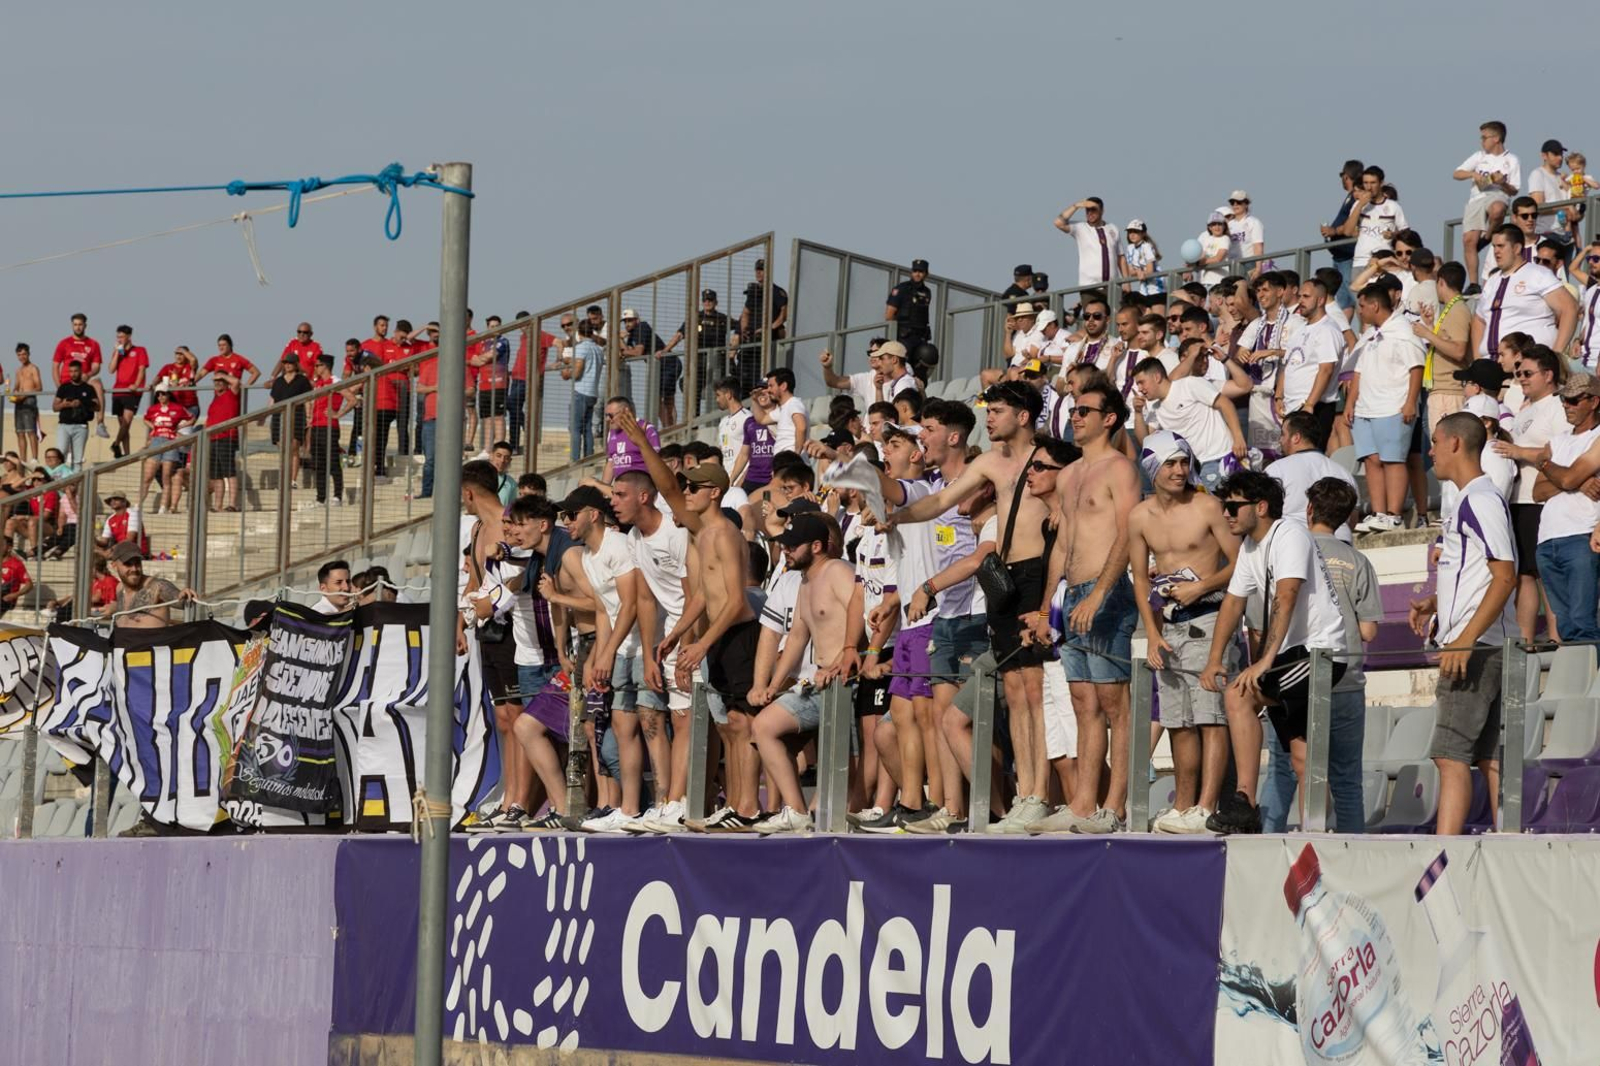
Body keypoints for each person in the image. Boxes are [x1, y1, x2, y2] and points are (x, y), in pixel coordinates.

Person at [880, 381, 1056, 830]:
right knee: (1016, 693)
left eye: (997, 410)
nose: (990, 417)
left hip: (1036, 571)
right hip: (1006, 579)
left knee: (1032, 692)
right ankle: (1024, 799)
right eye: (988, 409)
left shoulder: (1050, 458)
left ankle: (1037, 793)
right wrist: (897, 516)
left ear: (1022, 415)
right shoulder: (992, 463)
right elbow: (940, 501)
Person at [616, 408, 763, 831]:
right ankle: (736, 806)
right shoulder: (702, 531)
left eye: (694, 489)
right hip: (717, 636)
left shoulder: (723, 534)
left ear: (712, 493)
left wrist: (699, 645)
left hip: (736, 633)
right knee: (730, 726)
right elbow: (703, 595)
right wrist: (677, 634)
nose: (684, 496)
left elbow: (735, 602)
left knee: (740, 725)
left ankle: (744, 806)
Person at [1200, 471, 1347, 834]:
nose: (1227, 514)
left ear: (1261, 507)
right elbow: (1233, 604)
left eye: (1233, 506)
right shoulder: (1251, 547)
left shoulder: (1290, 534)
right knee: (1301, 757)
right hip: (1294, 655)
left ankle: (1245, 802)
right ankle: (1315, 832)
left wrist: (1265, 660)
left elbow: (1287, 595)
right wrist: (1214, 657)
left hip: (1318, 653)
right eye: (1224, 507)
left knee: (1239, 695)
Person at [1026, 380, 1140, 834]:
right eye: (1073, 409)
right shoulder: (1071, 473)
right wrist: (1043, 607)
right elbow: (1063, 546)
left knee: (1115, 703)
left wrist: (1098, 593)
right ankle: (1083, 802)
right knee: (1082, 701)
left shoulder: (1121, 469)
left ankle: (1116, 805)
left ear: (1109, 418)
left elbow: (1130, 534)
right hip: (1074, 592)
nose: (1075, 416)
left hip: (1107, 592)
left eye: (1085, 410)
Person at [1409, 413, 1517, 836]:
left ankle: (1445, 856)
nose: (1430, 451)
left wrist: (1464, 641)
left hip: (1474, 647)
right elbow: (1482, 571)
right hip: (1482, 642)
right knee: (1490, 758)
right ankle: (1508, 847)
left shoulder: (1479, 499)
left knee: (1450, 756)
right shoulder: (1473, 500)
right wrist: (1435, 602)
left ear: (1455, 443)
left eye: (1434, 442)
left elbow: (1505, 575)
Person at [1129, 433, 1240, 833]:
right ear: (1153, 469)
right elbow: (1141, 580)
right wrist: (1152, 634)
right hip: (1170, 626)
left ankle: (1207, 807)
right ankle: (1185, 803)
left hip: (1210, 619)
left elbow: (1240, 562)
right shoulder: (1140, 516)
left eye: (1183, 462)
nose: (1179, 471)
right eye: (1170, 464)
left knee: (1211, 717)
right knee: (1179, 721)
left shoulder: (1208, 506)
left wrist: (1202, 586)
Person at [1260, 477, 1382, 834]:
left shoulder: (1284, 552)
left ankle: (1269, 846)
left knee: (1282, 771)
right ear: (1346, 517)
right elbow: (1369, 631)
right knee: (1346, 779)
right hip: (1345, 680)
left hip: (1289, 678)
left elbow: (1262, 619)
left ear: (1309, 509)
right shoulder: (1357, 561)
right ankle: (1351, 858)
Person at [746, 513, 860, 835]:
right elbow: (797, 637)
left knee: (848, 760)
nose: (786, 552)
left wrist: (843, 657)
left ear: (817, 546)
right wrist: (772, 684)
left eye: (793, 546)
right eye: (784, 545)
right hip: (816, 684)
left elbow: (861, 613)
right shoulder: (805, 581)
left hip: (846, 682)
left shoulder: (838, 571)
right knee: (763, 726)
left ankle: (844, 813)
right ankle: (795, 810)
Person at [609, 469, 694, 833]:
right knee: (676, 719)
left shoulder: (676, 533)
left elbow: (696, 595)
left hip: (693, 632)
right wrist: (648, 654)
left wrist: (688, 645)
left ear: (644, 497)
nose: (613, 501)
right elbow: (643, 598)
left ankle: (679, 801)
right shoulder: (632, 538)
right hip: (667, 639)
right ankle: (670, 802)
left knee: (687, 719)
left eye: (620, 494)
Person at [1493, 344, 1570, 640]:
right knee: (1525, 574)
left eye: (1527, 373)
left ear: (1548, 374)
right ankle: (1525, 641)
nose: (1521, 378)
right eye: (1518, 373)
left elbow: (1564, 452)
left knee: (1547, 573)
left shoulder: (1559, 405)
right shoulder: (1526, 409)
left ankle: (1556, 637)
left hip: (1543, 499)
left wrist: (1519, 451)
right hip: (1519, 499)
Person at [1524, 372, 1600, 642]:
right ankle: (1580, 681)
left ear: (1593, 401)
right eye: (1564, 400)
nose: (1566, 404)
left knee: (1582, 621)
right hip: (1548, 539)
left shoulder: (1595, 437)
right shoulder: (1558, 441)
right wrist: (1578, 483)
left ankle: (1590, 682)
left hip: (1581, 535)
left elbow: (1563, 478)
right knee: (1566, 625)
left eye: (1574, 400)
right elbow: (1538, 492)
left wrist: (1546, 465)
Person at [1348, 284, 1426, 533]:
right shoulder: (1369, 334)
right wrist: (1350, 402)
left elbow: (1417, 368)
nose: (1360, 311)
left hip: (1393, 405)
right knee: (1371, 460)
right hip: (1365, 408)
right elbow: (1358, 371)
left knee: (1393, 459)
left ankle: (1394, 515)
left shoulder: (1403, 332)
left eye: (1362, 306)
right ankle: (1379, 513)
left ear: (1375, 305)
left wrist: (1410, 402)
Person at [1130, 357, 1246, 491]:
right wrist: (1138, 413)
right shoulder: (1155, 407)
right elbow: (1146, 441)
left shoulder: (1189, 384)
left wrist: (1238, 438)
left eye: (1141, 382)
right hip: (1193, 471)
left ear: (1156, 377)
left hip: (1219, 457)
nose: (1139, 389)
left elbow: (1225, 404)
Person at [1470, 224, 1579, 359]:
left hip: (1528, 364)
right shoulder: (1492, 281)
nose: (1496, 251)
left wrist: (1556, 354)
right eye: (1494, 247)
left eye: (1501, 246)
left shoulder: (1538, 274)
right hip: (1491, 364)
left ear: (1516, 248)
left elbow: (1570, 308)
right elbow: (1479, 320)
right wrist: (1477, 359)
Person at [1269, 411, 1358, 541]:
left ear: (1296, 437)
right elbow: (1352, 519)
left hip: (1293, 544)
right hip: (1340, 544)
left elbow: (1264, 515)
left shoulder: (1276, 469)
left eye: (1282, 434)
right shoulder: (1343, 472)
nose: (1280, 440)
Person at [1275, 277, 1344, 444]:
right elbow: (1289, 364)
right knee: (1290, 458)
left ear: (1320, 300)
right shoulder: (1300, 329)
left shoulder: (1328, 329)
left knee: (1309, 458)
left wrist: (1310, 405)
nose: (1300, 301)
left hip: (1314, 407)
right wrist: (1278, 396)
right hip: (1293, 407)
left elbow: (1326, 370)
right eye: (1299, 296)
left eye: (1306, 297)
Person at [1455, 121, 1521, 285]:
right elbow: (1457, 173)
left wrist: (1502, 183)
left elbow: (1514, 190)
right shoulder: (1479, 156)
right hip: (1476, 199)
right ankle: (1473, 284)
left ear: (1496, 138)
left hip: (1498, 195)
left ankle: (1488, 235)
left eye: (1484, 138)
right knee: (1469, 241)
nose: (1482, 141)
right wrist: (1473, 175)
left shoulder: (1512, 160)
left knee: (1497, 209)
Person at [1415, 261, 1473, 431]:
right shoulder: (1452, 308)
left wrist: (1427, 334)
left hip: (1449, 391)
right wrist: (1431, 326)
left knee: (1445, 450)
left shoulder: (1458, 310)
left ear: (1441, 282)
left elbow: (1458, 351)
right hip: (1441, 390)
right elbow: (1447, 343)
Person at [661, 289, 732, 417]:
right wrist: (665, 350)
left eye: (710, 300)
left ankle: (719, 420)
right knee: (693, 388)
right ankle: (694, 422)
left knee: (720, 390)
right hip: (699, 362)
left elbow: (740, 328)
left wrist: (734, 347)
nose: (707, 302)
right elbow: (679, 335)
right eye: (705, 300)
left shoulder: (722, 318)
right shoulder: (695, 318)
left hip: (718, 362)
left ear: (716, 302)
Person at [733, 258, 788, 397]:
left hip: (767, 343)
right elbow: (745, 313)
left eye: (762, 270)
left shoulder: (777, 292)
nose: (759, 273)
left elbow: (783, 316)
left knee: (761, 380)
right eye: (757, 270)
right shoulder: (753, 292)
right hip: (750, 343)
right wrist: (744, 330)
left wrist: (767, 329)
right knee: (743, 380)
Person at [103, 540, 184, 628]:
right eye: (128, 564)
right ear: (114, 566)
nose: (134, 569)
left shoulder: (157, 587)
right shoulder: (119, 588)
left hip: (151, 641)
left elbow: (181, 601)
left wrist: (185, 595)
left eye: (137, 563)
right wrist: (115, 608)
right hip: (124, 640)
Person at [1344, 166, 1407, 277]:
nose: (1369, 187)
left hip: (1384, 261)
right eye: (1366, 183)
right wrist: (1360, 204)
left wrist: (1393, 234)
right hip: (1361, 261)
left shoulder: (1393, 206)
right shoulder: (1358, 205)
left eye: (1373, 183)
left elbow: (1405, 232)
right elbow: (1347, 232)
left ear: (1381, 183)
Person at [140, 385, 194, 515]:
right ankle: (138, 505)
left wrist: (178, 427)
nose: (160, 397)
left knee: (166, 476)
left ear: (169, 394)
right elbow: (145, 418)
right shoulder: (153, 408)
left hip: (171, 441)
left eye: (163, 394)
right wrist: (154, 428)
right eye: (158, 394)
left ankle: (163, 507)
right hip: (157, 440)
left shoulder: (177, 408)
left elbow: (191, 418)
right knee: (148, 476)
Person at [52, 313, 106, 439]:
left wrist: (89, 374)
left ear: (85, 325)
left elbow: (96, 366)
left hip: (84, 382)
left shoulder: (93, 344)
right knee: (68, 421)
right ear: (72, 325)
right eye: (75, 324)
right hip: (67, 382)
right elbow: (55, 366)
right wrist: (60, 387)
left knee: (97, 382)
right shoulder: (64, 343)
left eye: (80, 324)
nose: (78, 327)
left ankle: (100, 423)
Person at [1321, 160, 1365, 306]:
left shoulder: (1357, 197)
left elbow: (1352, 224)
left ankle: (1368, 327)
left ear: (1346, 176)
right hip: (1340, 256)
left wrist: (1333, 231)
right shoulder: (1350, 196)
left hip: (1348, 256)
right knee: (1344, 303)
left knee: (1356, 298)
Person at [561, 320, 604, 461]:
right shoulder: (598, 349)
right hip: (593, 392)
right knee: (587, 427)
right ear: (592, 332)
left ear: (579, 333)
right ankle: (589, 458)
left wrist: (566, 374)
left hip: (581, 392)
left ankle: (574, 460)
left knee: (575, 428)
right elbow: (584, 363)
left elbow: (578, 372)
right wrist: (569, 361)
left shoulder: (581, 348)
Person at [1054, 197, 1120, 287]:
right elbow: (1058, 223)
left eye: (1093, 209)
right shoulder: (1080, 227)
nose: (1090, 213)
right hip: (1090, 286)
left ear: (1102, 211)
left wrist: (1126, 282)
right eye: (1087, 210)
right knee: (1096, 302)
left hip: (1112, 285)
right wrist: (1076, 206)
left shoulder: (1113, 228)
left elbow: (1121, 257)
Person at [307, 355, 346, 507]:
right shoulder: (318, 384)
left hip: (329, 427)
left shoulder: (335, 382)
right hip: (316, 427)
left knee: (333, 462)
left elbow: (351, 399)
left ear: (325, 366)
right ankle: (320, 498)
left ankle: (337, 496)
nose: (315, 368)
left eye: (317, 365)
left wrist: (338, 414)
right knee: (319, 464)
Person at [268, 356, 311, 489]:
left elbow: (307, 400)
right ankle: (284, 479)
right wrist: (267, 415)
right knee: (283, 450)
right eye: (285, 363)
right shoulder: (279, 381)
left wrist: (309, 417)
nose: (287, 365)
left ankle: (292, 480)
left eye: (290, 363)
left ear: (296, 364)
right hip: (278, 417)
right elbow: (272, 400)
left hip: (296, 416)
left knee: (294, 449)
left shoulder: (302, 380)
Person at [108, 325, 148, 459]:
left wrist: (136, 385)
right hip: (118, 390)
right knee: (123, 426)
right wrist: (116, 353)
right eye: (117, 337)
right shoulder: (118, 352)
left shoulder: (140, 350)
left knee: (127, 422)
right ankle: (127, 453)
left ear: (129, 336)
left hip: (131, 392)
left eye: (122, 337)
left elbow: (142, 369)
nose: (119, 339)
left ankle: (116, 443)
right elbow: (111, 370)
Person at [599, 396, 658, 486]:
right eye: (606, 415)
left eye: (611, 415)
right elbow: (611, 464)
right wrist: (602, 491)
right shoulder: (611, 433)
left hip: (640, 486)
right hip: (620, 489)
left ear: (625, 412)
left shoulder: (646, 429)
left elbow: (656, 461)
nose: (607, 419)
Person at [51, 360, 97, 469]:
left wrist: (82, 403)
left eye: (75, 371)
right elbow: (55, 407)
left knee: (77, 460)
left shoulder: (88, 388)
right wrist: (64, 404)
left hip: (81, 426)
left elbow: (97, 406)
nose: (73, 374)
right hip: (64, 425)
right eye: (71, 371)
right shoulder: (64, 387)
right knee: (60, 456)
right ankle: (60, 483)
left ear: (81, 371)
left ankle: (75, 484)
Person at [885, 259, 933, 350]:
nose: (917, 274)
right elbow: (889, 315)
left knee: (928, 357)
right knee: (903, 362)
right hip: (904, 337)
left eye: (921, 271)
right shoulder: (902, 289)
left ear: (926, 274)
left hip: (921, 337)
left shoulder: (927, 292)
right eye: (915, 271)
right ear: (911, 272)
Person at [757, 367, 807, 454]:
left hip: (790, 462)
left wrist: (796, 454)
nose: (768, 390)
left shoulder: (794, 403)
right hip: (783, 461)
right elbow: (762, 419)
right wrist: (754, 400)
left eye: (771, 386)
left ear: (783, 386)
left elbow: (801, 427)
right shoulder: (783, 408)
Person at [820, 345, 882, 413]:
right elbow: (833, 382)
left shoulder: (895, 379)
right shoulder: (867, 378)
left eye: (876, 352)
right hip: (870, 423)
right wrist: (827, 367)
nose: (872, 356)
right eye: (870, 352)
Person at [11, 344, 41, 464]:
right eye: (19, 355)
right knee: (19, 432)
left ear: (28, 354)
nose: (22, 357)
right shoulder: (18, 370)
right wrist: (14, 394)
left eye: (24, 354)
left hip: (29, 400)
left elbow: (39, 387)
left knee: (30, 430)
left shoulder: (33, 368)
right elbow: (16, 386)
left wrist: (25, 394)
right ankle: (23, 459)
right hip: (19, 402)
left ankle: (34, 458)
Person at [713, 377, 751, 470]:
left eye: (718, 395)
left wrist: (741, 480)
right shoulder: (723, 421)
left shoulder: (747, 418)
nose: (716, 400)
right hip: (726, 479)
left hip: (741, 479)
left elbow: (751, 454)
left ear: (729, 395)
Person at [1119, 220, 1164, 295]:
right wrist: (1138, 272)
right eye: (1130, 232)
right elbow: (1130, 271)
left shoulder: (1147, 246)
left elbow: (1150, 270)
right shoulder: (1130, 248)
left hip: (1157, 287)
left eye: (1136, 232)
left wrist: (1139, 272)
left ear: (1143, 233)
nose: (1132, 235)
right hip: (1143, 288)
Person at [1226, 191, 1266, 273]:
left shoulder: (1253, 222)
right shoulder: (1228, 225)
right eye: (1232, 202)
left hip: (1248, 263)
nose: (1235, 205)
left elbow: (1258, 246)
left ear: (1246, 204)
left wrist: (1258, 269)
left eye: (1239, 202)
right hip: (1231, 264)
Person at [0, 535, 30, 617]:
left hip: (5, 600)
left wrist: (15, 595)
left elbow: (29, 585)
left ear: (9, 547)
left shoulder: (16, 564)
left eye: (1, 545)